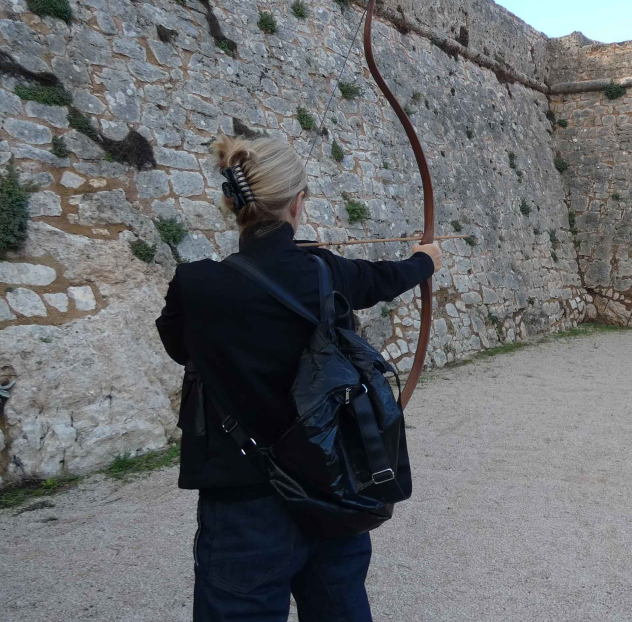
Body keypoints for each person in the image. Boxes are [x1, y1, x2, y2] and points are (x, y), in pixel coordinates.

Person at [155, 135, 441, 621]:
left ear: (234, 204)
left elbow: (179, 347)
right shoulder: (327, 274)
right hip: (333, 486)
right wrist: (426, 259)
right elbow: (385, 277)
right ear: (297, 202)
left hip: (241, 503)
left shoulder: (195, 284)